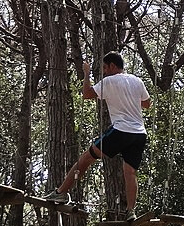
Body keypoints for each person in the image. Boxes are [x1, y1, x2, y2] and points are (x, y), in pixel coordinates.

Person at [47, 51, 151, 215]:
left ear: (112, 66)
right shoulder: (137, 81)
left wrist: (87, 73)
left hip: (120, 130)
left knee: (86, 158)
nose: (103, 71)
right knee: (130, 172)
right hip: (139, 134)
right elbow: (147, 104)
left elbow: (87, 94)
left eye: (104, 67)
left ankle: (61, 193)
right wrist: (129, 98)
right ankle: (131, 211)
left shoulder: (109, 81)